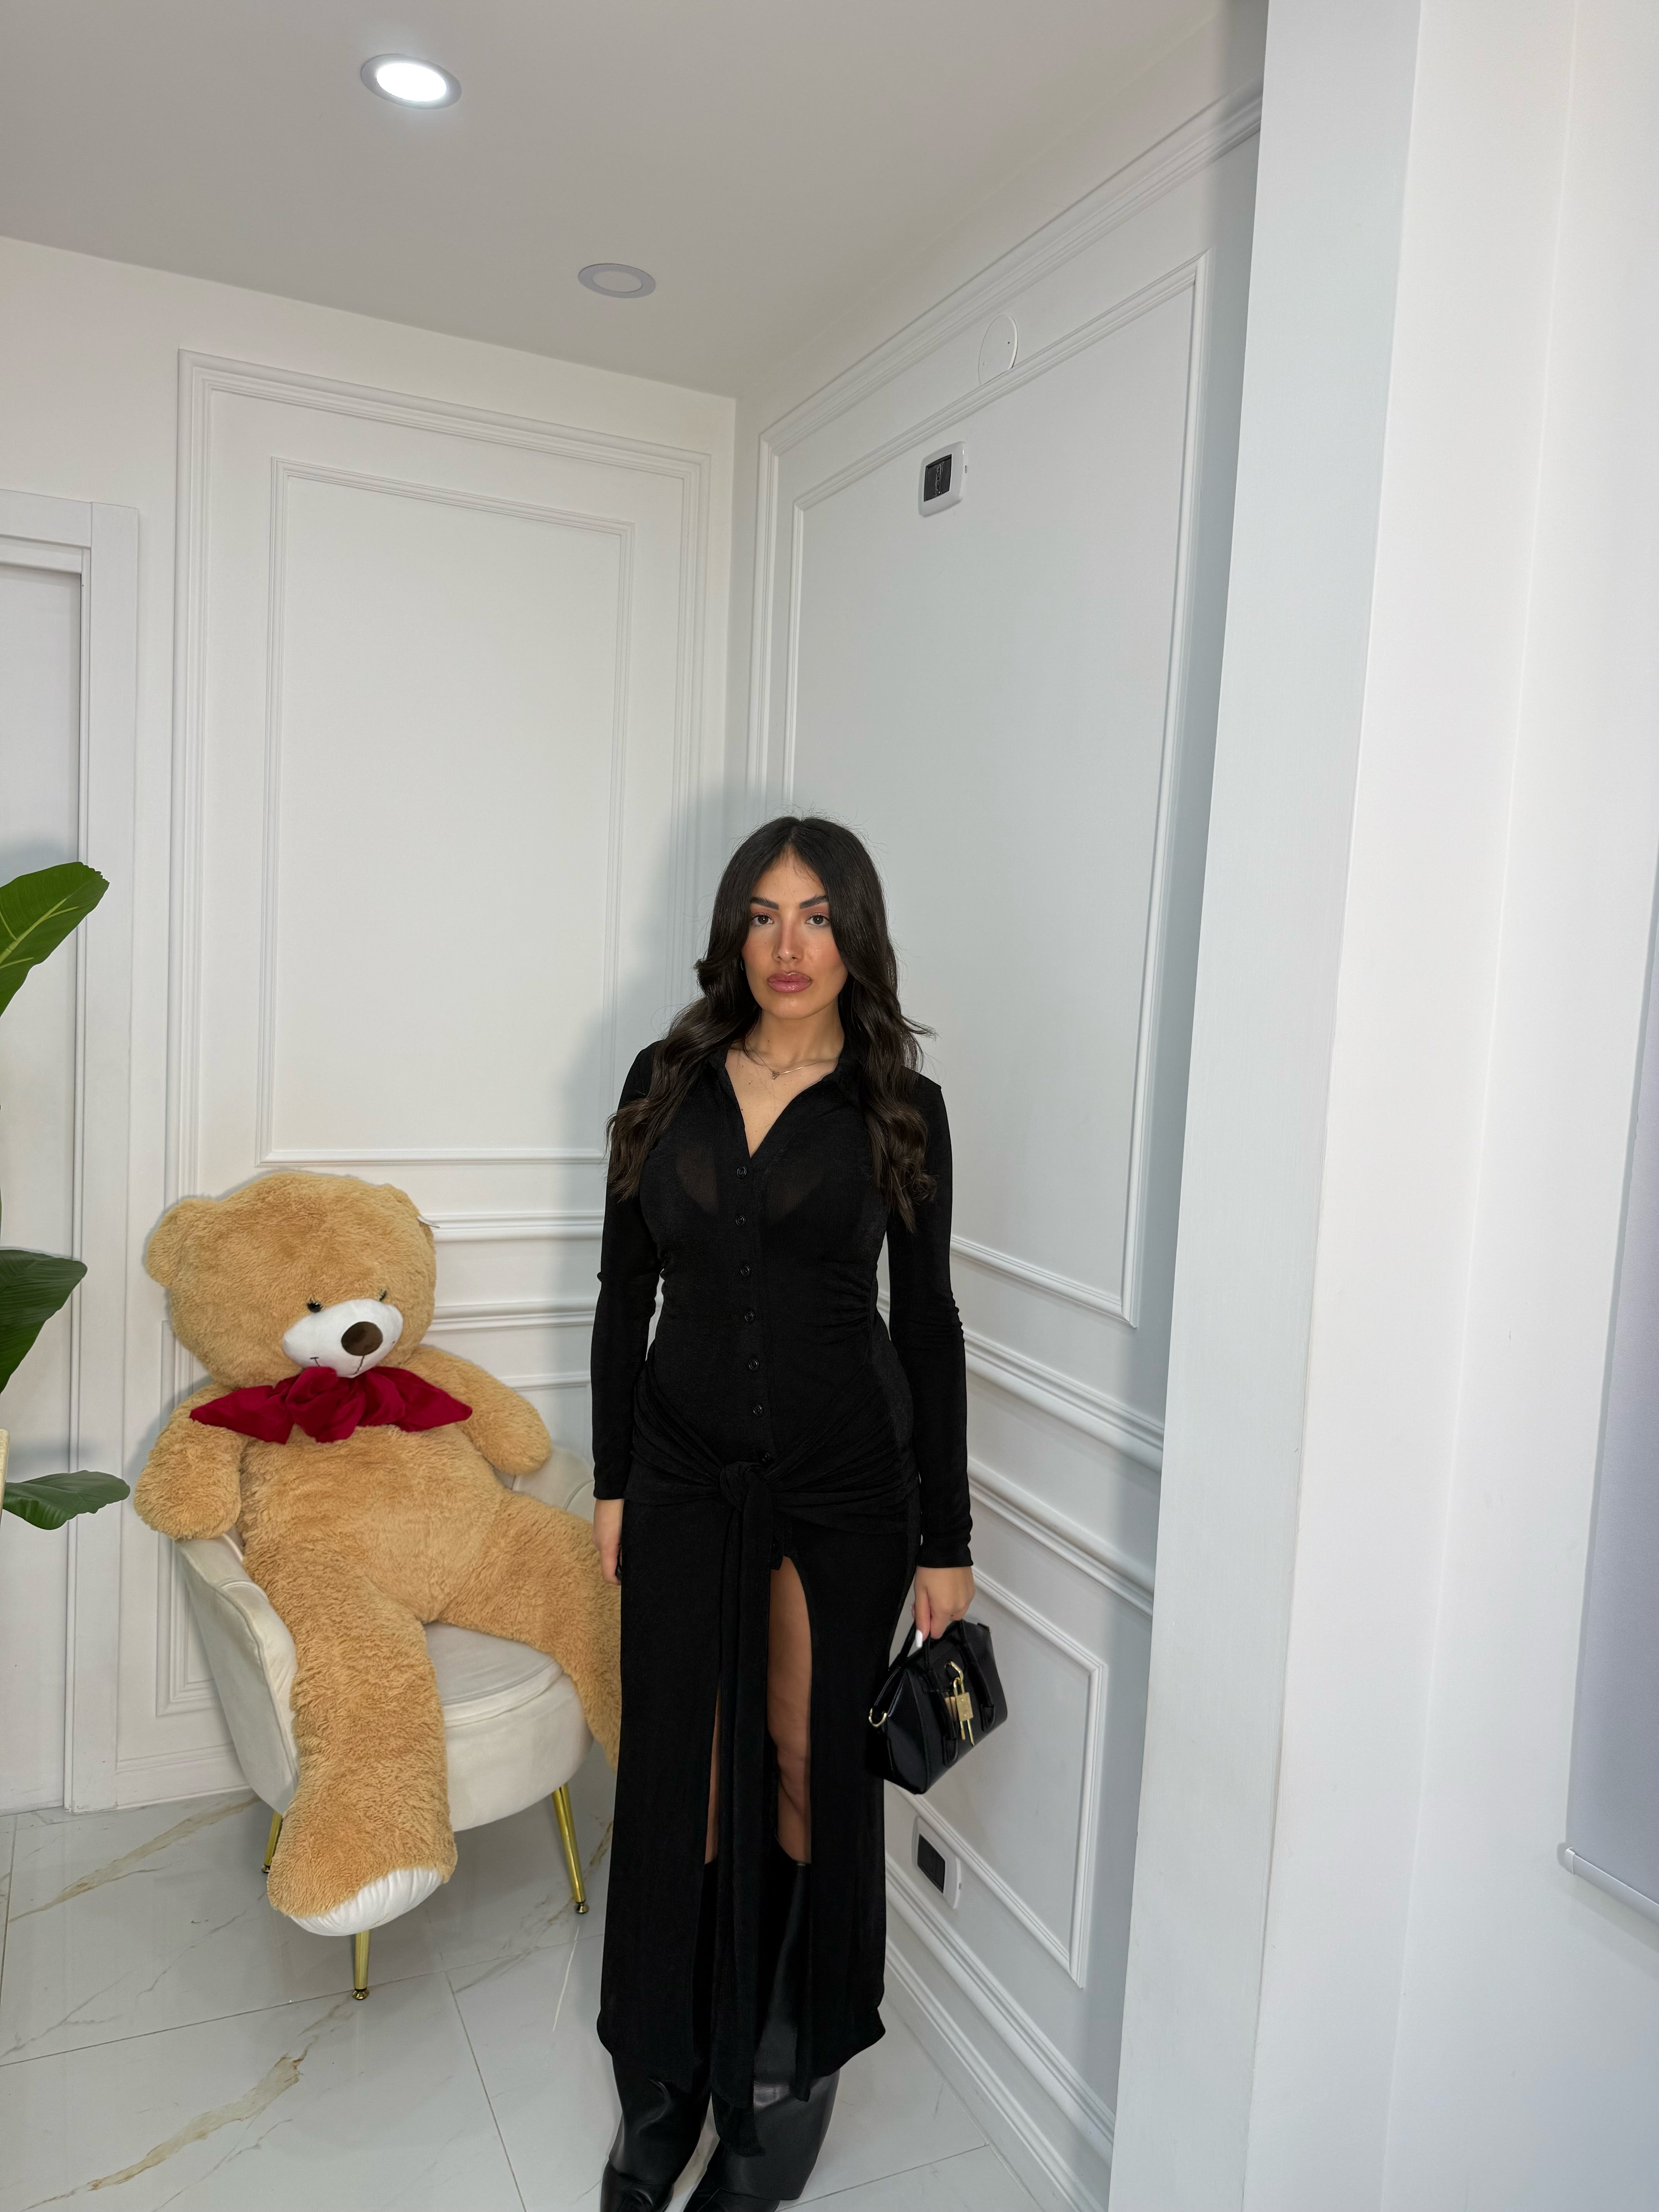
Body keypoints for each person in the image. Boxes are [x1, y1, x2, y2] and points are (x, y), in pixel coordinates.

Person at [590, 814, 974, 2212]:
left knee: (811, 1760)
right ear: (731, 933)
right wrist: (613, 1481)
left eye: (815, 916)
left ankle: (784, 2069)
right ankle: (666, 2075)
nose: (787, 944)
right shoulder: (665, 1078)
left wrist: (947, 1540)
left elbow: (924, 1325)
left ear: (854, 934)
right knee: (681, 1771)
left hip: (846, 1488)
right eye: (761, 914)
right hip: (682, 1472)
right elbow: (622, 1294)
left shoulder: (900, 1103)